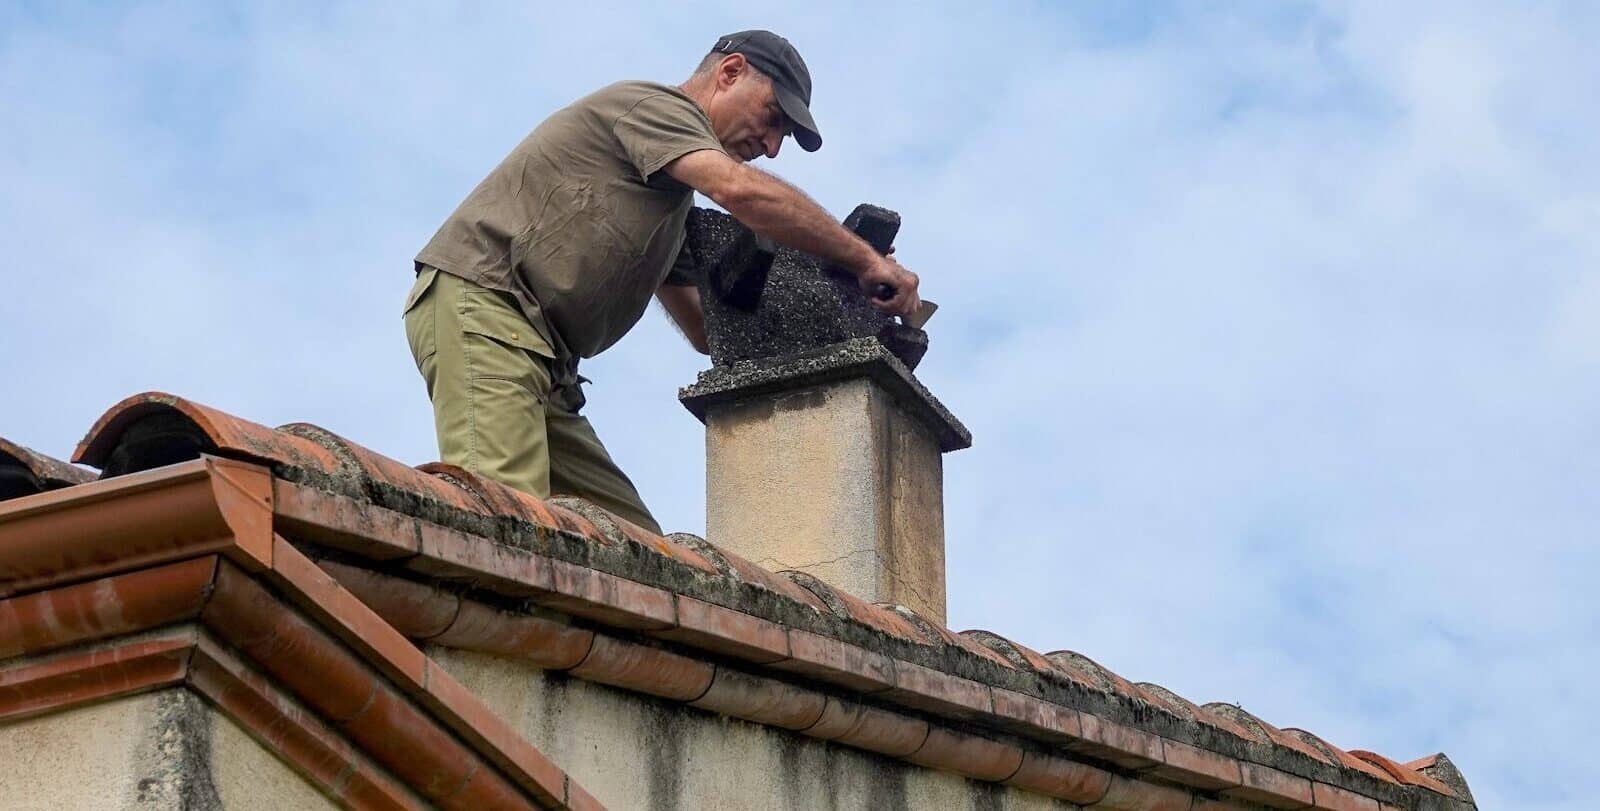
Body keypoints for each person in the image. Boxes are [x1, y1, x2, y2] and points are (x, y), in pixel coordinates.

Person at [403, 30, 920, 533]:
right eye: (773, 118)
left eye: (783, 134)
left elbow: (704, 330)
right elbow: (741, 193)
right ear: (730, 71)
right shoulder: (653, 108)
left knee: (645, 564)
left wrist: (830, 295)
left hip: (546, 370)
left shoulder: (670, 208)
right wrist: (862, 259)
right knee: (507, 531)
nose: (772, 146)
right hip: (489, 312)